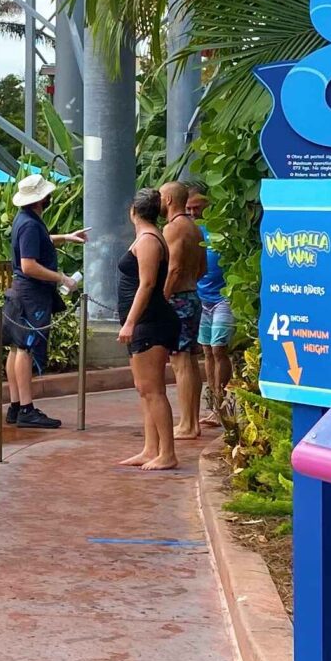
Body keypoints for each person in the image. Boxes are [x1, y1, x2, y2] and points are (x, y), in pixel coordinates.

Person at [0, 172, 81, 428]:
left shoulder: (25, 221)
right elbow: (29, 265)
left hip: (22, 293)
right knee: (25, 348)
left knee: (16, 347)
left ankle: (15, 405)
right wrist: (61, 278)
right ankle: (26, 408)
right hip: (31, 295)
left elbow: (37, 244)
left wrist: (65, 237)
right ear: (42, 199)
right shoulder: (31, 225)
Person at [117, 186, 181, 470]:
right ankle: (150, 447)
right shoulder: (149, 237)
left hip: (150, 322)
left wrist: (130, 321)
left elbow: (148, 283)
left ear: (133, 211)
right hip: (145, 321)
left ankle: (167, 453)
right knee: (143, 388)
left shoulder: (148, 241)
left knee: (153, 389)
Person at [160, 180, 205, 441]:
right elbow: (202, 270)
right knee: (188, 360)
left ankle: (188, 424)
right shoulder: (195, 229)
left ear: (168, 201)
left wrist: (163, 298)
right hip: (191, 295)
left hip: (178, 299)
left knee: (180, 360)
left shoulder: (173, 228)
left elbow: (174, 268)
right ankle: (191, 421)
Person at [189, 184, 232, 427]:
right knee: (206, 350)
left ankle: (222, 404)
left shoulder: (222, 228)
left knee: (219, 349)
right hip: (202, 297)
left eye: (197, 207)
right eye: (189, 208)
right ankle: (215, 405)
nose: (193, 212)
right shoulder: (190, 230)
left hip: (224, 296)